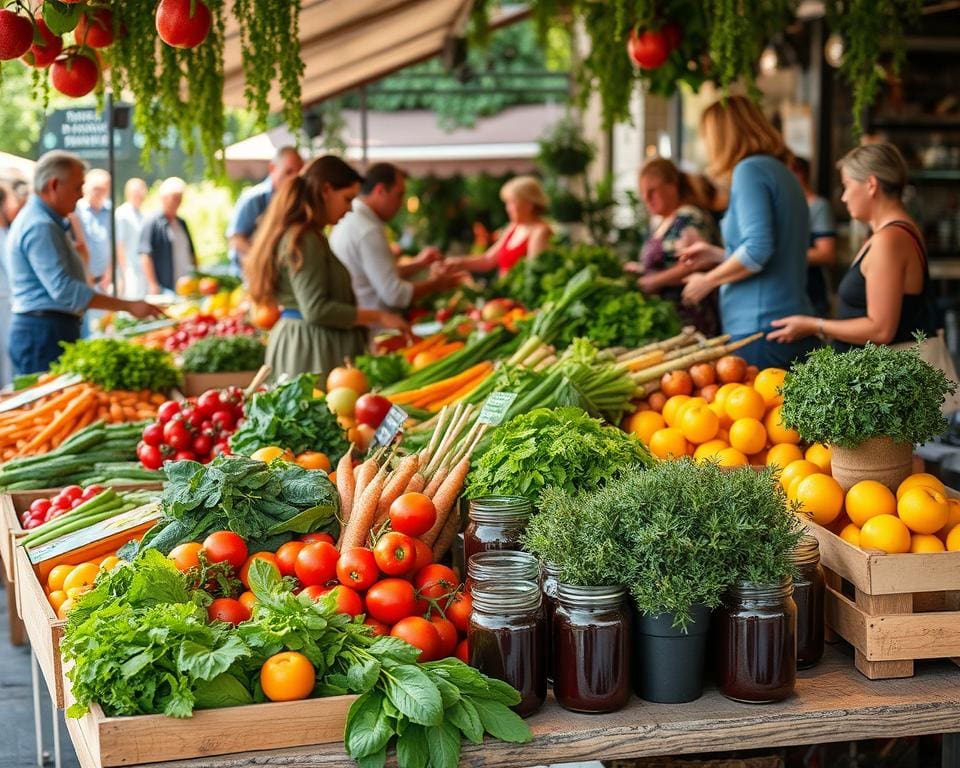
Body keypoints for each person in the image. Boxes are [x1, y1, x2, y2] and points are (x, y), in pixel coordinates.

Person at [679, 95, 816, 368]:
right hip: (785, 321)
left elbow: (757, 251)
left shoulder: (749, 171)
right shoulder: (781, 171)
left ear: (723, 137)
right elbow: (774, 251)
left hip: (759, 330)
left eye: (708, 137)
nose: (707, 146)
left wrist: (708, 280)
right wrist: (718, 255)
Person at [245, 156, 410, 379]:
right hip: (311, 354)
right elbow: (316, 309)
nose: (351, 209)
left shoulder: (306, 235)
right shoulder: (305, 239)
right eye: (348, 199)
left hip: (307, 347)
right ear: (326, 191)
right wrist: (378, 316)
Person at [5, 151, 162, 375]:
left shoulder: (48, 221)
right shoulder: (40, 226)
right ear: (54, 185)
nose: (80, 195)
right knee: (47, 407)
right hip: (43, 332)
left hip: (47, 329)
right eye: (77, 187)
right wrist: (128, 305)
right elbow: (66, 291)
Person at [769, 143, 938, 350]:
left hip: (886, 378)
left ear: (871, 185)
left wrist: (814, 325)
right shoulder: (900, 231)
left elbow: (880, 330)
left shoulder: (889, 240)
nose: (844, 197)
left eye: (847, 185)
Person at [329, 163, 464, 316]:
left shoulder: (357, 222)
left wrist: (419, 263)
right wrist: (435, 284)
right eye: (399, 195)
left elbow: (379, 274)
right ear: (380, 191)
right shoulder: (367, 229)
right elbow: (395, 294)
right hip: (374, 329)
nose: (400, 204)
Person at [625, 158, 722, 336]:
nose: (646, 199)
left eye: (652, 191)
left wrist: (653, 281)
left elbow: (701, 262)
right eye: (643, 193)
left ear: (672, 186)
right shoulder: (663, 221)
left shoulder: (689, 217)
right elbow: (671, 262)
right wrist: (642, 270)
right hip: (669, 320)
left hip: (690, 320)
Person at [449, 176, 552, 276]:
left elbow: (532, 273)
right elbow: (487, 260)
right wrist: (456, 263)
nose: (507, 208)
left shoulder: (540, 231)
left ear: (529, 204)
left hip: (512, 293)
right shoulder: (514, 226)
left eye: (512, 202)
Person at [227, 146, 305, 274]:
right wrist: (265, 260)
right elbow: (236, 240)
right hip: (253, 277)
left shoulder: (300, 202)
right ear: (272, 168)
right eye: (288, 172)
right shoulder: (254, 199)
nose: (294, 179)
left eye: (299, 173)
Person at [790, 156, 837, 317]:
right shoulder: (786, 206)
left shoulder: (818, 206)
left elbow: (827, 254)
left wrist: (782, 256)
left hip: (812, 296)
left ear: (799, 174)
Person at [139, 177, 196, 294]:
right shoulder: (152, 222)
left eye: (180, 198)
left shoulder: (181, 222)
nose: (178, 202)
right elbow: (145, 255)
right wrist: (153, 284)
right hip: (165, 287)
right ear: (163, 198)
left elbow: (191, 252)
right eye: (174, 198)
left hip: (186, 285)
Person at [75, 168, 112, 292]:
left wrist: (109, 272)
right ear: (86, 188)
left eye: (103, 189)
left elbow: (115, 244)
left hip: (104, 281)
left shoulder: (110, 212)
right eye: (96, 189)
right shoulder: (76, 211)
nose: (99, 193)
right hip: (82, 279)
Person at [115, 178, 148, 298]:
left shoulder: (142, 215)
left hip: (141, 269)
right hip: (129, 269)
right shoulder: (122, 214)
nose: (140, 195)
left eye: (142, 191)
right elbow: (119, 244)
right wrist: (124, 273)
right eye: (136, 192)